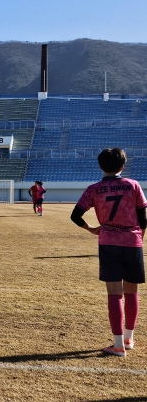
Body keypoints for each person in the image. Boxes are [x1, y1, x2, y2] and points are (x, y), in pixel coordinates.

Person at [71, 148, 147, 357]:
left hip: (108, 242)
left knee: (114, 294)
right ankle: (129, 339)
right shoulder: (133, 185)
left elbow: (75, 215)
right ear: (122, 166)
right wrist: (139, 237)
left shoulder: (94, 189)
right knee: (131, 292)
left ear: (100, 166)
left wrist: (91, 229)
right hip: (132, 242)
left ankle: (118, 345)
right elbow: (143, 217)